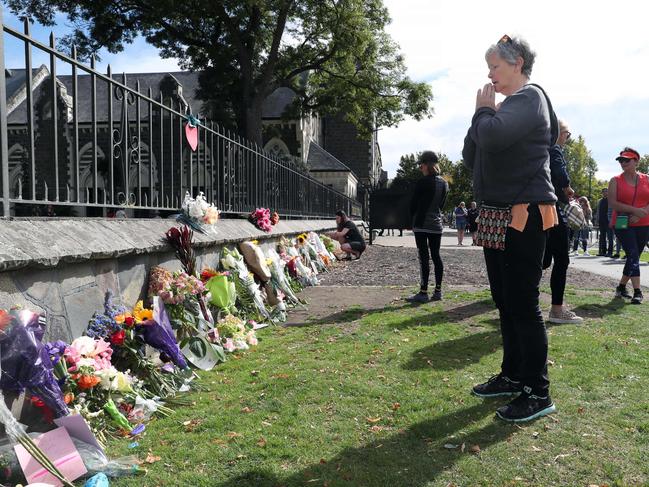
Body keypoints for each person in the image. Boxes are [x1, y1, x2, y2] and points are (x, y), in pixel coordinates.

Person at [462, 34, 558, 422]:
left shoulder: (530, 98)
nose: (490, 75)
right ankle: (513, 374)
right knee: (505, 300)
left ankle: (538, 390)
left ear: (517, 62)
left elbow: (493, 137)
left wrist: (485, 114)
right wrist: (482, 115)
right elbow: (472, 153)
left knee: (523, 301)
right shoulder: (504, 109)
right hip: (497, 210)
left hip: (526, 210)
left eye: (495, 67)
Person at [543, 119, 583, 324]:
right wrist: (567, 188)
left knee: (541, 260)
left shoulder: (538, 149)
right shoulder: (555, 149)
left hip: (538, 210)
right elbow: (559, 171)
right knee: (561, 259)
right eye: (568, 134)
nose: (568, 138)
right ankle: (557, 310)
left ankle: (519, 302)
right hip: (555, 211)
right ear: (560, 133)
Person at [405, 151, 449, 303]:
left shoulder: (422, 182)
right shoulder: (444, 183)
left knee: (424, 258)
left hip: (422, 224)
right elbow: (442, 205)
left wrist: (411, 219)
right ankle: (438, 291)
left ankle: (423, 292)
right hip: (436, 225)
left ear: (425, 165)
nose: (420, 167)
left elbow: (413, 204)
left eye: (421, 165)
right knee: (436, 256)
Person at [608, 147, 649, 304]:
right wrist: (635, 211)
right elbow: (613, 203)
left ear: (636, 161)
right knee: (632, 254)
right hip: (622, 221)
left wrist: (643, 212)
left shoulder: (647, 179)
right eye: (621, 160)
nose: (623, 163)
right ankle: (638, 291)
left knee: (634, 257)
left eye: (627, 160)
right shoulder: (615, 180)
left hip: (644, 222)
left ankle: (621, 287)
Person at [596, 188, 614, 256]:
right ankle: (603, 252)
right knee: (602, 237)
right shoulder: (600, 201)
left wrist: (612, 220)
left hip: (609, 221)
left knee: (610, 238)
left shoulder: (611, 200)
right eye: (603, 191)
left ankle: (610, 252)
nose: (605, 193)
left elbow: (612, 211)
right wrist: (597, 220)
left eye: (606, 191)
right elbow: (598, 211)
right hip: (601, 221)